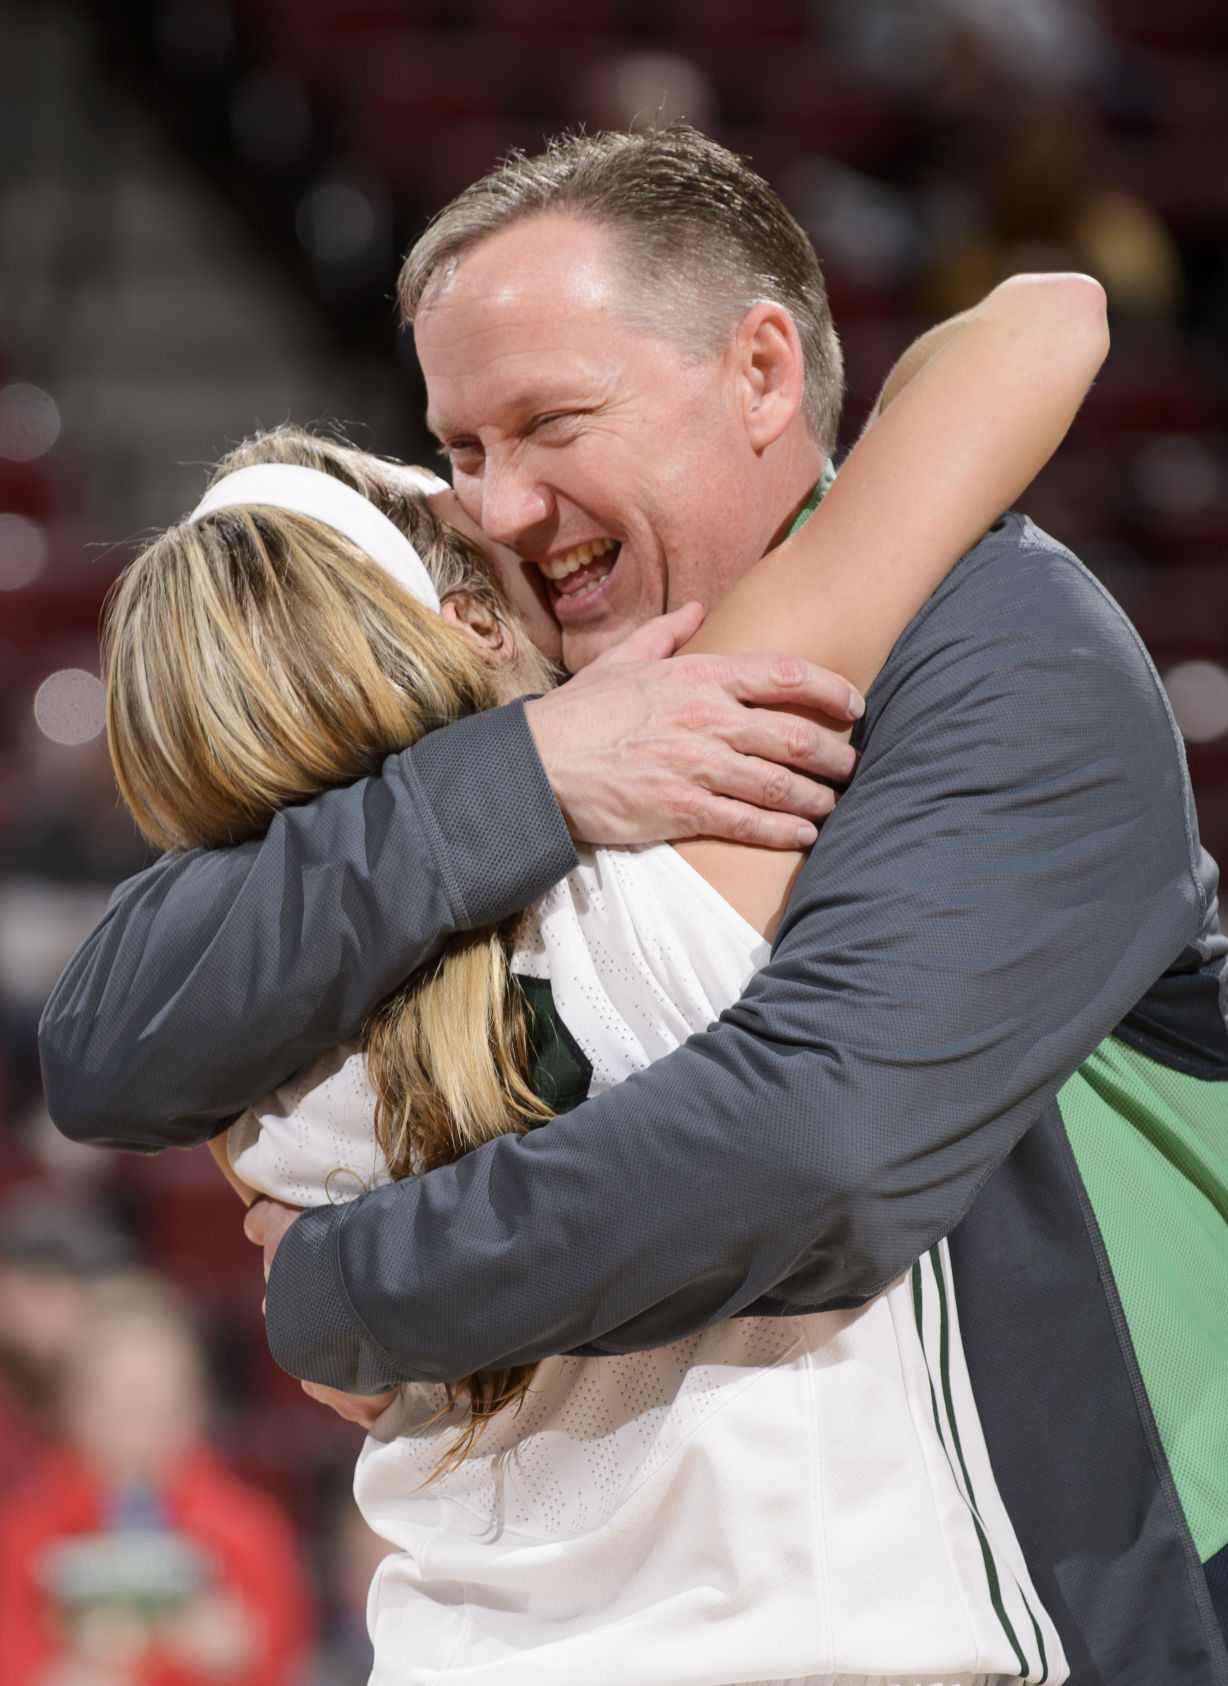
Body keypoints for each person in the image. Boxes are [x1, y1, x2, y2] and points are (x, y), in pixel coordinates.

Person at [40, 127, 1228, 1683]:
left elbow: (819, 1144)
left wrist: (344, 1285)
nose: (506, 506)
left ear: (758, 374)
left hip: (1056, 1568)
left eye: (548, 424)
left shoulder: (993, 642)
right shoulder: (593, 806)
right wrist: (532, 768)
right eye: (460, 455)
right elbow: (1038, 321)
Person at [0, 1274, 313, 1686]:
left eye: (155, 1401)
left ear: (194, 1404)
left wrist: (241, 1655)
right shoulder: (22, 1530)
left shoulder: (251, 1529)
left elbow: (283, 1657)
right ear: (72, 1404)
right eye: (118, 1401)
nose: (138, 1425)